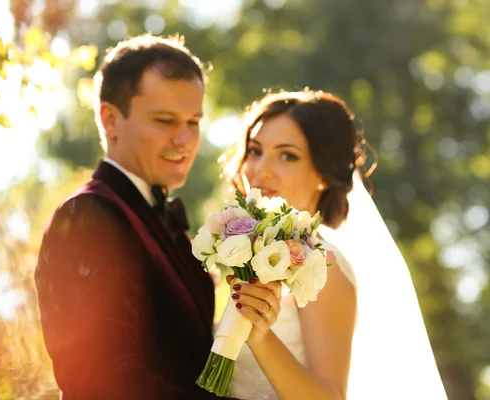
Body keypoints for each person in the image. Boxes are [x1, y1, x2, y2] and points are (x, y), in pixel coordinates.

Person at [34, 34, 277, 399]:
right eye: (165, 121)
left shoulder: (166, 224)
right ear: (110, 119)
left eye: (193, 122)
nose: (184, 139)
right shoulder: (87, 217)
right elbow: (102, 383)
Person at [220, 89, 447, 399]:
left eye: (288, 155)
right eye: (256, 151)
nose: (262, 170)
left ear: (324, 173)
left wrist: (260, 336)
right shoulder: (240, 250)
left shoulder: (324, 267)